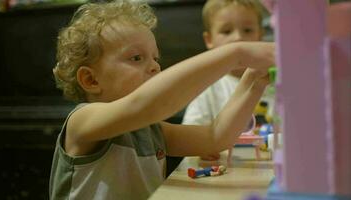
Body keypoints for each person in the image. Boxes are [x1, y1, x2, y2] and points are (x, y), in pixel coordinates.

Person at [49, 0, 275, 199]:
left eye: (155, 57)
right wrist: (236, 54)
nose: (155, 66)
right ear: (90, 79)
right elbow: (147, 105)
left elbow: (215, 137)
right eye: (136, 57)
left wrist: (254, 80)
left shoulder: (153, 130)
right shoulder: (82, 122)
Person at [182, 0, 275, 161]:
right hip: (226, 169)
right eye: (226, 31)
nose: (238, 38)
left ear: (260, 35)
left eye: (247, 30)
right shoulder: (207, 88)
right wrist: (199, 148)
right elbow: (188, 136)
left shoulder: (275, 81)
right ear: (209, 40)